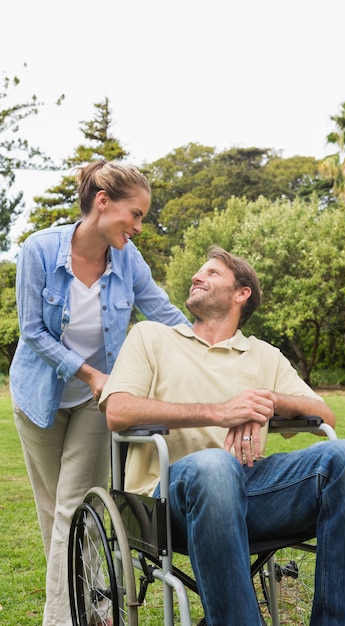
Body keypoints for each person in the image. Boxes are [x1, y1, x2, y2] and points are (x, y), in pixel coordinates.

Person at [99, 246, 345, 626]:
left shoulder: (265, 354)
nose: (197, 277)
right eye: (200, 272)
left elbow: (324, 414)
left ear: (241, 293)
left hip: (254, 489)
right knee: (215, 466)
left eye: (211, 273)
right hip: (168, 499)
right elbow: (118, 410)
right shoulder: (151, 337)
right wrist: (220, 412)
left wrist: (268, 400)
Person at [10, 160, 190, 626]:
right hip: (38, 398)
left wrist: (207, 348)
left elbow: (163, 313)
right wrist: (88, 372)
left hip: (96, 402)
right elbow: (31, 331)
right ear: (103, 202)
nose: (139, 227)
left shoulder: (128, 260)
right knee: (55, 511)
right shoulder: (40, 249)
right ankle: (94, 602)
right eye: (136, 214)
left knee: (74, 505)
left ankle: (63, 619)